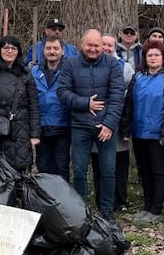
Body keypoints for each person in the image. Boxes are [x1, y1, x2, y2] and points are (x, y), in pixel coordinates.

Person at [58, 29, 124, 217]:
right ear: (82, 44)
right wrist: (85, 103)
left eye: (97, 45)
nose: (93, 49)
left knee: (108, 171)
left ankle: (106, 211)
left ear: (103, 46)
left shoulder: (112, 64)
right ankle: (81, 212)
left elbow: (117, 96)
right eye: (89, 45)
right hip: (80, 126)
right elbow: (62, 92)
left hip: (106, 127)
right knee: (79, 171)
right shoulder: (70, 64)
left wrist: (110, 124)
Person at [127, 39, 164, 224]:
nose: (153, 58)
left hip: (159, 135)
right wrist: (127, 128)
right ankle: (147, 206)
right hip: (139, 133)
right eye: (149, 55)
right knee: (145, 171)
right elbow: (129, 104)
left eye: (156, 55)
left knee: (158, 172)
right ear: (145, 58)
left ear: (163, 57)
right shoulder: (138, 77)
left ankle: (156, 210)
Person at [0, 35, 39, 172]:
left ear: (18, 52)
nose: (9, 51)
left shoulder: (25, 74)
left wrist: (34, 135)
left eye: (13, 48)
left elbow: (33, 105)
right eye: (6, 48)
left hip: (20, 130)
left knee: (18, 172)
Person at [97, 34, 134, 211]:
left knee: (120, 163)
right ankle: (101, 198)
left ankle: (120, 199)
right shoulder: (91, 65)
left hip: (119, 122)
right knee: (98, 162)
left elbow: (130, 93)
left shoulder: (125, 68)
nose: (106, 48)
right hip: (97, 122)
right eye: (103, 44)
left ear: (114, 48)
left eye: (110, 45)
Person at [32, 35, 72, 180]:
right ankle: (44, 200)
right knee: (43, 167)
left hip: (62, 126)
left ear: (62, 51)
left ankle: (63, 201)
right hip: (41, 127)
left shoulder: (69, 70)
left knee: (61, 167)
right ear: (43, 50)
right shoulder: (34, 72)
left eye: (56, 48)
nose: (52, 51)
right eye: (48, 48)